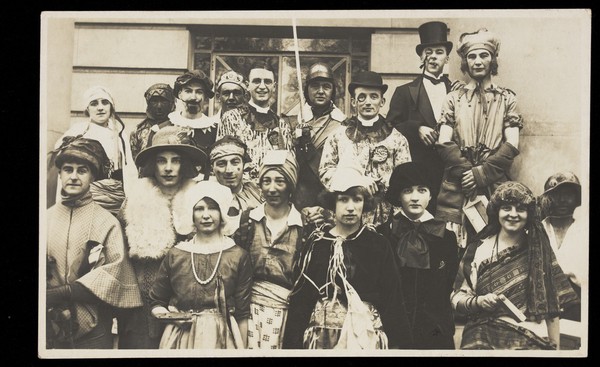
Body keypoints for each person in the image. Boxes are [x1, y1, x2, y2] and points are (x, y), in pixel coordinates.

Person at [283, 167, 413, 349]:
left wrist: (401, 347)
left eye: (357, 200)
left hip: (365, 338)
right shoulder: (317, 243)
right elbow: (301, 300)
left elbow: (392, 297)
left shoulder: (378, 244)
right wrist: (291, 348)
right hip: (322, 338)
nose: (350, 207)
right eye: (343, 200)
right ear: (332, 204)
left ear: (364, 204)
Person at [451, 181, 579, 350]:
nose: (513, 214)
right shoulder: (477, 249)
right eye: (507, 208)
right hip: (482, 336)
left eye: (520, 209)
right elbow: (456, 297)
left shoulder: (539, 251)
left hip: (530, 338)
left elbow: (553, 310)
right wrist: (479, 302)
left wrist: (554, 350)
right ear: (497, 211)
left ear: (529, 214)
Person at [117, 125, 208, 349]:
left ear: (184, 164)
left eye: (175, 160)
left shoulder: (200, 201)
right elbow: (120, 256)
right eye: (161, 160)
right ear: (152, 165)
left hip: (189, 302)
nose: (168, 168)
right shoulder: (134, 202)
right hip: (141, 302)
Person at [46, 137, 142, 349]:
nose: (73, 176)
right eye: (68, 169)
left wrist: (64, 292)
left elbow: (114, 271)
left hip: (94, 327)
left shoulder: (106, 221)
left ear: (92, 176)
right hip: (48, 325)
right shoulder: (45, 219)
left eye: (82, 170)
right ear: (59, 174)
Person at [435, 29, 522, 250]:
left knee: (496, 245)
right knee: (454, 246)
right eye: (472, 56)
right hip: (458, 183)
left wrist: (481, 174)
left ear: (492, 59)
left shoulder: (507, 98)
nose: (478, 61)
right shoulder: (453, 99)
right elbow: (444, 142)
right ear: (465, 61)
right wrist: (468, 174)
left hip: (494, 181)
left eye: (484, 55)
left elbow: (512, 144)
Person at [149, 180, 253, 349]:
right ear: (191, 213)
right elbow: (157, 301)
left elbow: (242, 313)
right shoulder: (176, 254)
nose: (206, 215)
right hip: (181, 337)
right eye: (199, 208)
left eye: (212, 208)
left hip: (223, 338)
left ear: (222, 213)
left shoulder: (238, 256)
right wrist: (172, 317)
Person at [231, 150, 309, 349]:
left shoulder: (304, 226)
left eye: (280, 181)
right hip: (248, 312)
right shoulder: (247, 221)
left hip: (287, 313)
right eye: (266, 181)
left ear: (290, 185)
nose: (272, 188)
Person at [377, 161, 458, 349]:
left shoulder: (446, 237)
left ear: (431, 195)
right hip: (394, 329)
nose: (415, 197)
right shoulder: (384, 235)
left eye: (422, 190)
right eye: (407, 190)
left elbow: (448, 283)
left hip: (436, 331)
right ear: (398, 195)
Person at [319, 70, 412, 227]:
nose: (368, 102)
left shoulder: (397, 139)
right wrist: (355, 181)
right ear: (354, 102)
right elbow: (326, 171)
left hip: (385, 215)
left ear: (382, 102)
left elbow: (405, 178)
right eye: (362, 97)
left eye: (373, 97)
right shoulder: (338, 136)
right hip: (346, 212)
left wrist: (381, 184)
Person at [387, 21, 457, 212]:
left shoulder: (458, 92)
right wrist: (416, 128)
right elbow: (389, 126)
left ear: (447, 58)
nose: (433, 57)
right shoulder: (404, 92)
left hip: (451, 174)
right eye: (428, 52)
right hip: (418, 176)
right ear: (421, 56)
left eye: (439, 52)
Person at [50, 86, 128, 215]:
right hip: (83, 196)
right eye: (94, 103)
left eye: (105, 102)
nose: (100, 107)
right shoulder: (78, 131)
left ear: (111, 107)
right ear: (87, 109)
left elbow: (128, 172)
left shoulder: (120, 134)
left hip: (113, 199)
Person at [217, 61, 294, 182]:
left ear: (274, 86)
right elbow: (223, 160)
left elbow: (288, 165)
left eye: (267, 82)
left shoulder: (282, 125)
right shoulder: (231, 118)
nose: (262, 86)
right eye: (257, 81)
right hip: (241, 192)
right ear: (247, 85)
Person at [292, 62, 346, 212]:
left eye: (326, 86)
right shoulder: (294, 122)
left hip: (327, 199)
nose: (321, 91)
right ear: (307, 90)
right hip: (298, 199)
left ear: (333, 91)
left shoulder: (344, 126)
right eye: (315, 86)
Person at [151, 70, 218, 178]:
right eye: (188, 91)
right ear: (179, 94)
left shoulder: (216, 131)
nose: (193, 97)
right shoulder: (160, 129)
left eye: (199, 92)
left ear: (205, 97)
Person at [539, 171, 584, 321]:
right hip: (542, 302)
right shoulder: (536, 230)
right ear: (548, 199)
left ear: (577, 198)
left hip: (578, 304)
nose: (562, 200)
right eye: (556, 195)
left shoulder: (584, 230)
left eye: (568, 195)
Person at [209, 135, 263, 225]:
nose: (229, 170)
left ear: (243, 165)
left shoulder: (258, 193)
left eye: (235, 162)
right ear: (212, 169)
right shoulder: (205, 198)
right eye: (221, 164)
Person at [129, 83, 176, 162]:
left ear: (171, 104)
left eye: (164, 101)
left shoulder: (179, 128)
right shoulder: (138, 132)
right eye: (154, 101)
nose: (159, 106)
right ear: (148, 104)